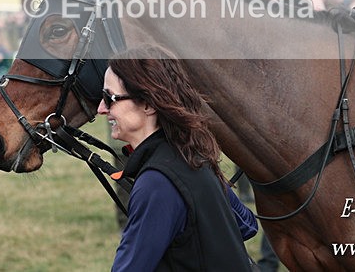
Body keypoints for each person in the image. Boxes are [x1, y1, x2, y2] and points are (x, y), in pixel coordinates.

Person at [100, 44, 258, 271]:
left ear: (148, 104)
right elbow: (245, 223)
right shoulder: (191, 155)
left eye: (109, 98)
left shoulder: (156, 183)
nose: (101, 109)